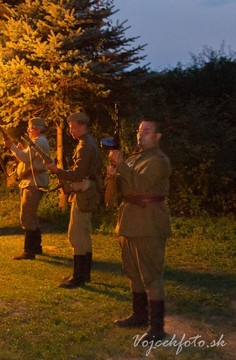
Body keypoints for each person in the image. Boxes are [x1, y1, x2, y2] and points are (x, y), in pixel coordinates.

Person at [108, 119, 171, 342]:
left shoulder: (159, 161)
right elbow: (125, 188)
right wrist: (114, 173)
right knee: (133, 271)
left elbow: (141, 185)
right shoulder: (136, 158)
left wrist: (121, 165)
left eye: (147, 131)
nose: (140, 134)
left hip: (149, 223)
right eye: (139, 130)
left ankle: (157, 328)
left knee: (151, 276)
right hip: (130, 221)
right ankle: (139, 315)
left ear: (157, 136)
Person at [46, 111, 102, 288]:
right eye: (70, 127)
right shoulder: (89, 142)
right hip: (88, 191)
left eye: (73, 127)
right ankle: (84, 274)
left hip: (84, 192)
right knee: (84, 234)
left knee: (76, 234)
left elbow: (78, 173)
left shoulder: (85, 146)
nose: (71, 130)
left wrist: (57, 171)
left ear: (82, 126)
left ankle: (78, 277)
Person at [5, 118, 50, 260]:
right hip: (31, 181)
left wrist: (12, 147)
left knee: (27, 216)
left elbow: (25, 157)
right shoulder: (38, 142)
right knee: (31, 215)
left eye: (30, 128)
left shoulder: (39, 141)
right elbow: (26, 157)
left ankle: (29, 251)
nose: (28, 130)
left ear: (37, 128)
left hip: (33, 183)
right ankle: (36, 247)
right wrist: (17, 149)